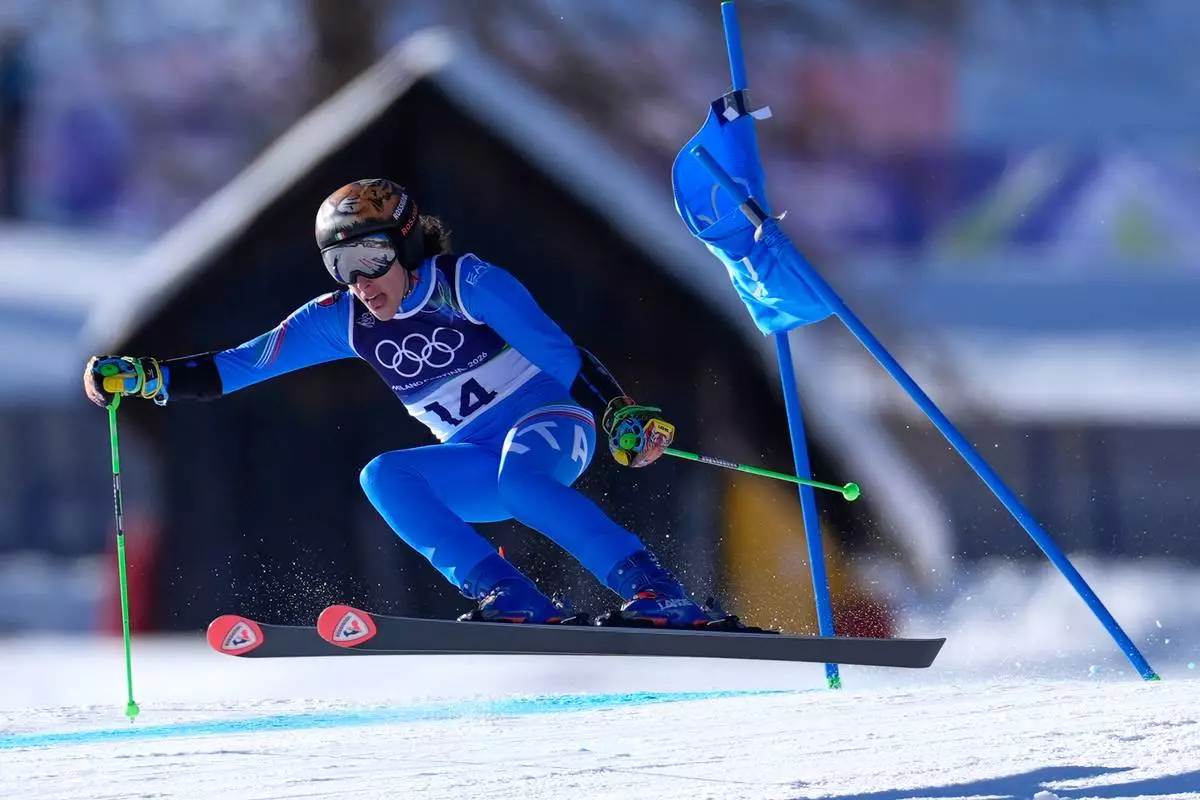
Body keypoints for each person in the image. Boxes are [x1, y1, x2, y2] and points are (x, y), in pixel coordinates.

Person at [84, 178, 714, 627]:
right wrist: (145, 377)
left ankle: (655, 589)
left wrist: (616, 411)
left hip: (549, 425)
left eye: (371, 257)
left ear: (407, 246)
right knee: (385, 475)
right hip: (474, 456)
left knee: (520, 482)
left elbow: (559, 352)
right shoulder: (341, 320)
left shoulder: (467, 284)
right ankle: (507, 595)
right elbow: (237, 367)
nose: (360, 281)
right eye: (341, 265)